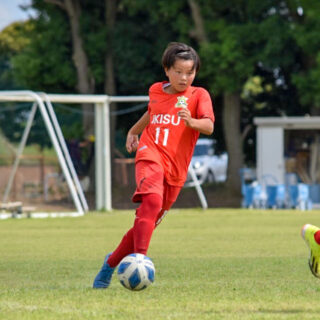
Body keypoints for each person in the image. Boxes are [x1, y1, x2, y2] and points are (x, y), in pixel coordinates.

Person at [93, 42, 215, 288]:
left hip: (176, 171)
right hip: (150, 154)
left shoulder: (198, 95)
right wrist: (134, 131)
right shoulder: (156, 90)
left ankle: (111, 263)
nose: (184, 77)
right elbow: (153, 111)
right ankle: (140, 260)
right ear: (167, 70)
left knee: (146, 221)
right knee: (151, 201)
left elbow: (209, 126)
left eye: (189, 72)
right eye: (179, 71)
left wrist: (191, 121)